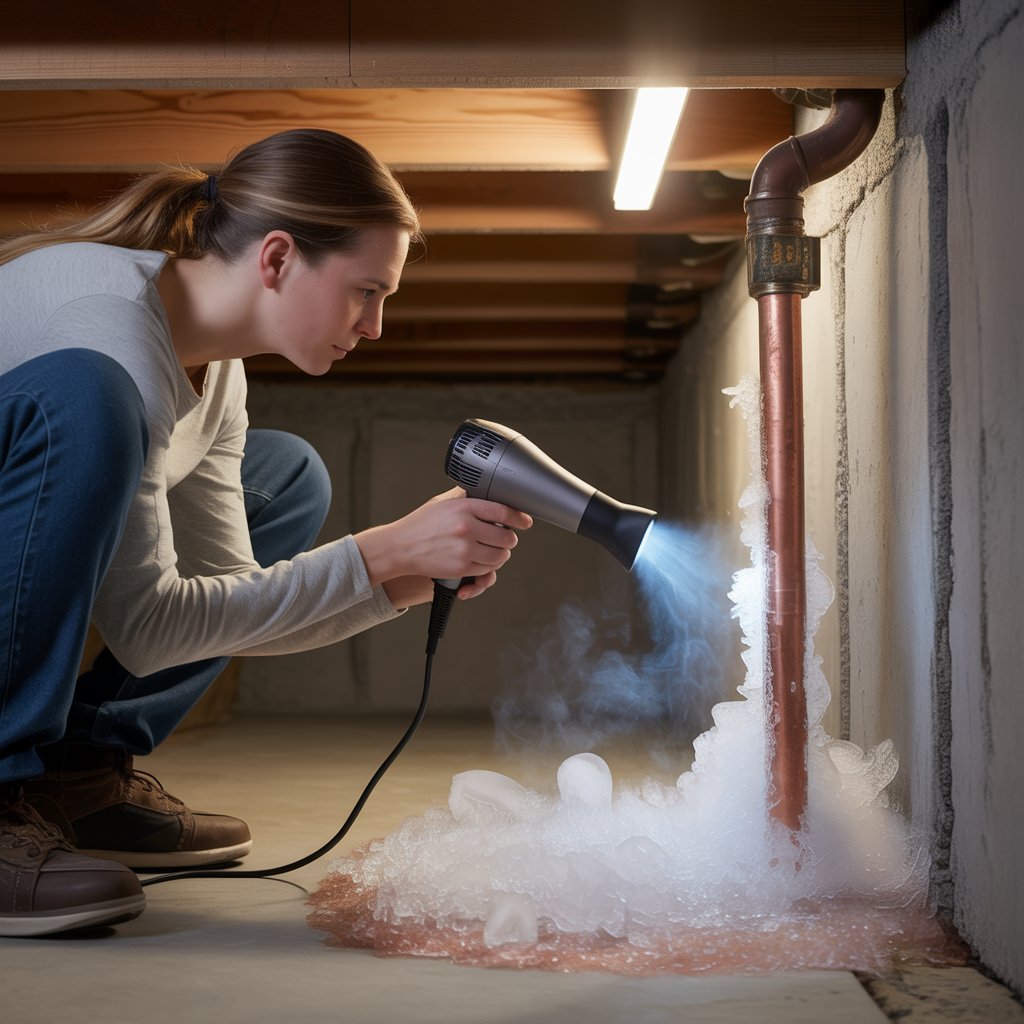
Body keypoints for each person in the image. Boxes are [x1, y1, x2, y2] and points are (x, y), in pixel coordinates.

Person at [0, 128, 532, 937]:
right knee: (90, 396)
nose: (377, 324)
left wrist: (390, 585)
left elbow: (220, 604)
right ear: (278, 258)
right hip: (64, 436)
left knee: (287, 474)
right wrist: (380, 552)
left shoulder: (220, 375)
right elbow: (151, 629)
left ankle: (77, 779)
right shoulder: (106, 333)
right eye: (366, 290)